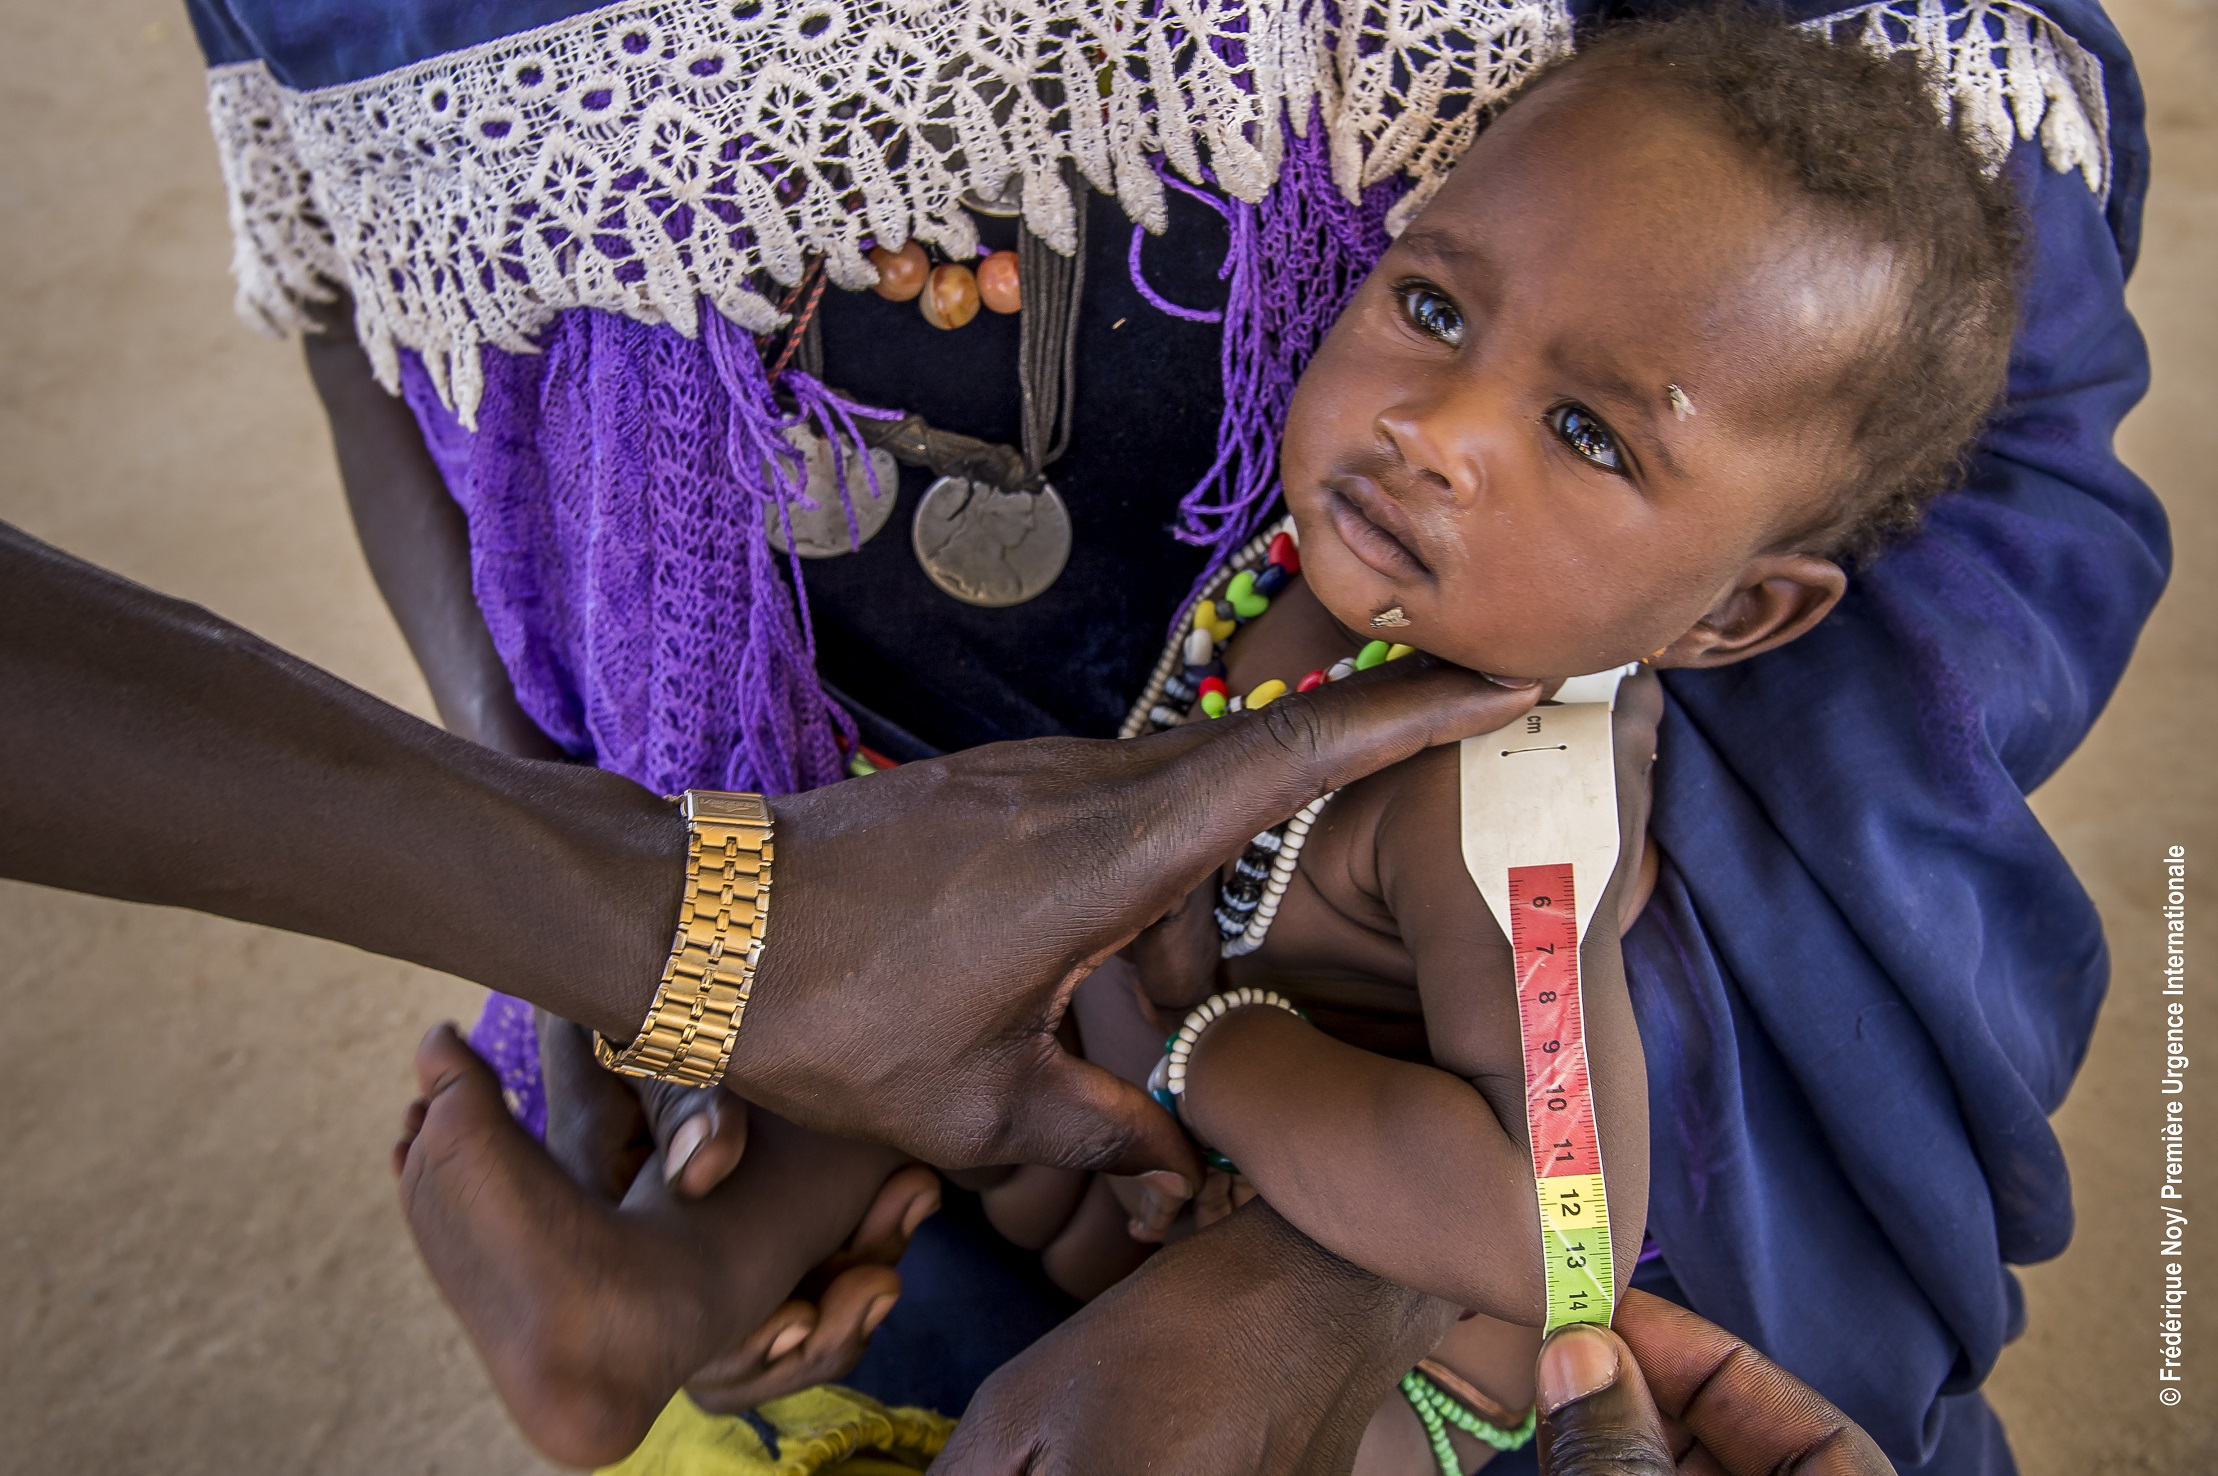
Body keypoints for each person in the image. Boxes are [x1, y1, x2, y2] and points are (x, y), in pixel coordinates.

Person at [179, 0, 2164, 1471]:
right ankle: (641, 1299)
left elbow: (1548, 1229)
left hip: (1380, 1320)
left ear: (1738, 613)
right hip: (1133, 1085)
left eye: (1584, 435)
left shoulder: (1515, 800)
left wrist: (1206, 1053)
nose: (1429, 432)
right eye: (1428, 307)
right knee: (858, 988)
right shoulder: (1336, 593)